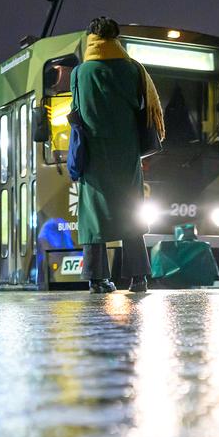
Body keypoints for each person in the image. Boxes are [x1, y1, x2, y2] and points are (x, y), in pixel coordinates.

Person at [71, 16, 162, 293]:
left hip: (94, 154)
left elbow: (77, 110)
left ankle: (96, 278)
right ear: (115, 38)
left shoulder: (80, 73)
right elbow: (141, 107)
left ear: (92, 38)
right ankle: (138, 278)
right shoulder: (133, 69)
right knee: (131, 211)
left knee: (93, 215)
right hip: (126, 152)